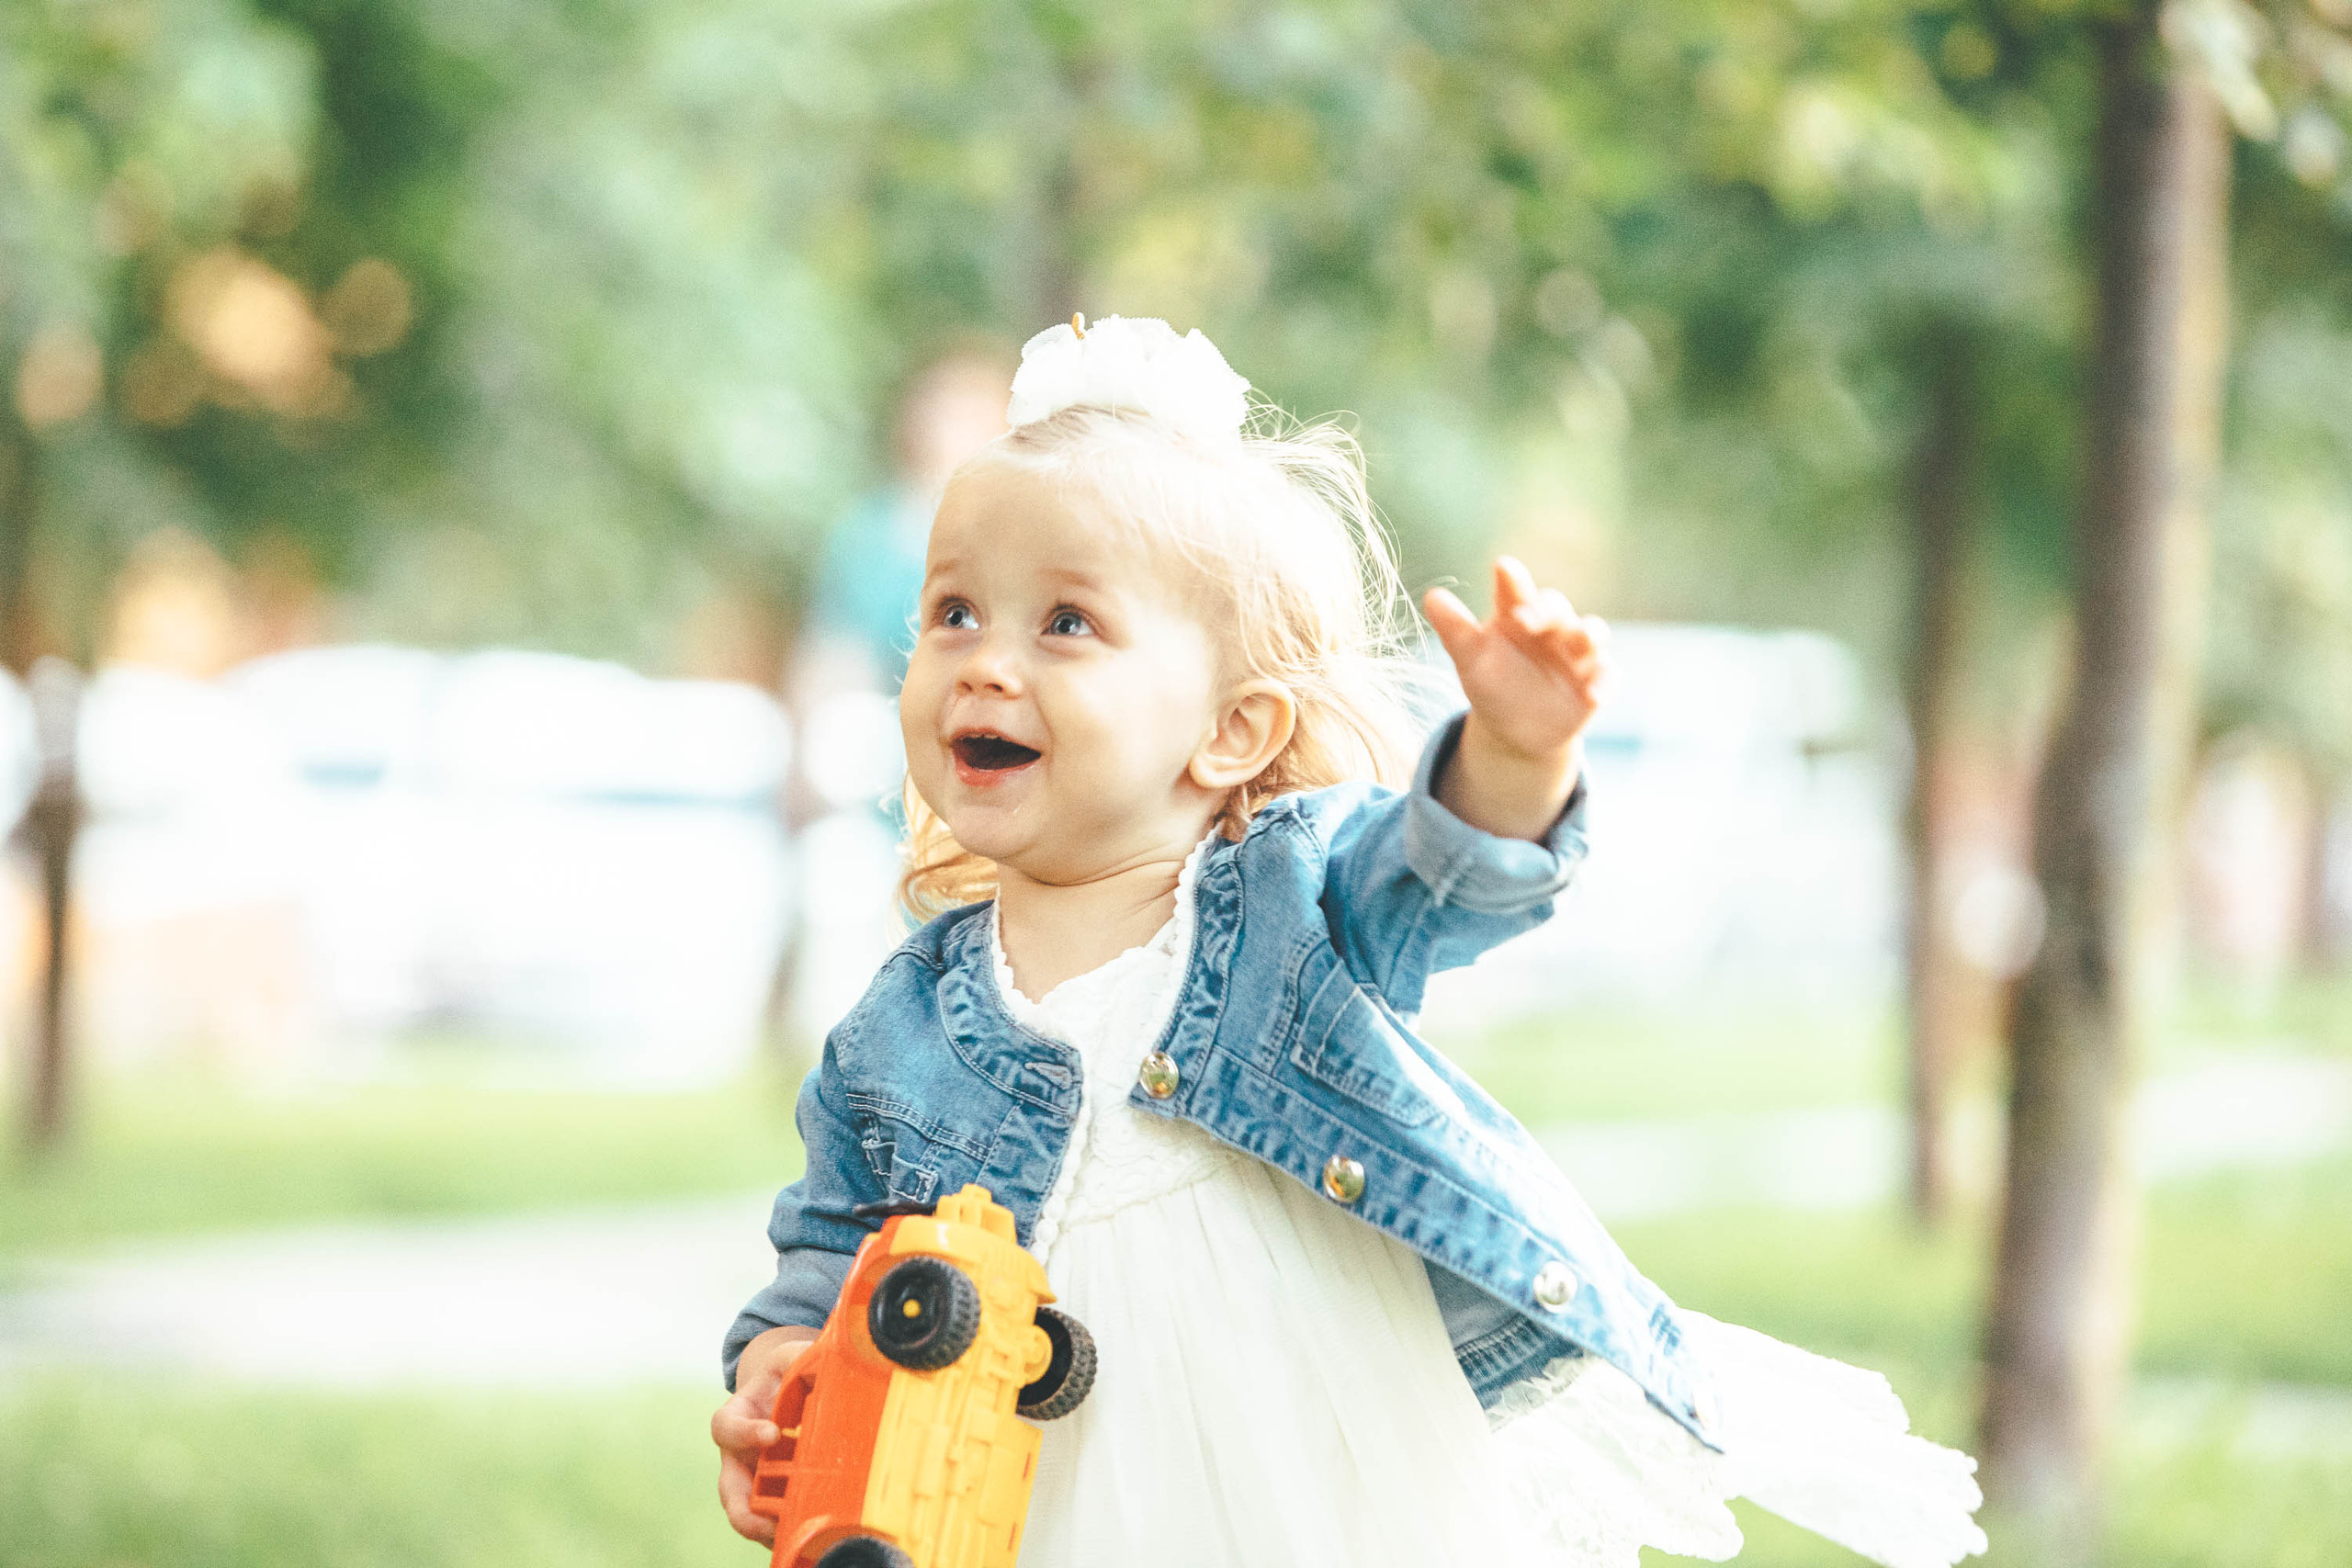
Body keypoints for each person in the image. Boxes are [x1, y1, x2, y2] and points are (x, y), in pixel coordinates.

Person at [710, 315, 1986, 1567]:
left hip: (1307, 1469)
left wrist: (1516, 754)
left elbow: (1441, 876)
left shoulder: (1287, 899)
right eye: (952, 615)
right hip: (1036, 1498)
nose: (984, 665)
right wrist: (782, 1372)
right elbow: (832, 1252)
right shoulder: (904, 1024)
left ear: (1232, 733)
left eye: (1066, 624)